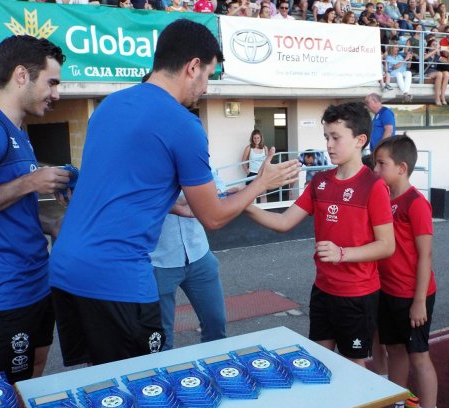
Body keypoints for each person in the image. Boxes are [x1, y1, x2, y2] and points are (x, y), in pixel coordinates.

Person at [49, 19, 300, 367]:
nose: (207, 88)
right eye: (209, 76)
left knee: (100, 385)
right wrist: (260, 183)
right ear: (192, 67)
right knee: (143, 386)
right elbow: (213, 217)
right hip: (117, 276)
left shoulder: (108, 106)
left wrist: (176, 205)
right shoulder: (183, 124)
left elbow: (128, 188)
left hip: (64, 268)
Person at [245, 102, 395, 408]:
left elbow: (387, 245)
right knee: (318, 361)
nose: (328, 144)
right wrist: (244, 203)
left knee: (354, 365)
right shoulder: (321, 181)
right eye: (326, 136)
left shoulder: (374, 186)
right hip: (324, 290)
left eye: (335, 137)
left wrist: (344, 254)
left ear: (360, 140)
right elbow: (283, 222)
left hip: (357, 293)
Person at [0, 36, 69, 383]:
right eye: (51, 82)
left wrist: (49, 223)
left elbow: (11, 208)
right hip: (5, 292)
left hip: (38, 280)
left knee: (34, 376)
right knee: (6, 394)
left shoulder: (19, 131)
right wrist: (31, 183)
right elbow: (20, 189)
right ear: (21, 75)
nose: (56, 94)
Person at [372, 134, 438, 408]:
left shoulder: (416, 203)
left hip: (414, 296)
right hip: (388, 292)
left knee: (419, 357)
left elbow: (425, 254)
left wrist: (419, 301)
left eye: (381, 164)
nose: (375, 169)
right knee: (394, 350)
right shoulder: (383, 198)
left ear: (401, 167)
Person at [151, 172, 236, 351]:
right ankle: (162, 379)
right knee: (161, 340)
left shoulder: (191, 152)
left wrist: (216, 192)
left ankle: (214, 373)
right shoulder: (147, 158)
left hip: (199, 253)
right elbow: (142, 197)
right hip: (159, 259)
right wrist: (193, 195)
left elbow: (215, 182)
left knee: (216, 325)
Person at [241, 129, 269, 203]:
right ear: (252, 139)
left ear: (261, 138)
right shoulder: (249, 148)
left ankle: (264, 211)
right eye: (255, 138)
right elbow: (243, 161)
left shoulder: (265, 148)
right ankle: (252, 213)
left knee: (263, 195)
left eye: (258, 138)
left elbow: (267, 162)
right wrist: (248, 172)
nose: (256, 139)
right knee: (251, 196)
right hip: (252, 173)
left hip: (262, 173)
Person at [423, 38, 449, 105]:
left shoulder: (437, 56)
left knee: (446, 73)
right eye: (433, 45)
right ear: (429, 47)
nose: (435, 46)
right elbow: (424, 58)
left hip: (436, 76)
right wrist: (435, 50)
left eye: (436, 45)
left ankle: (442, 96)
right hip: (426, 76)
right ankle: (437, 98)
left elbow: (448, 62)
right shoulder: (425, 53)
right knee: (439, 74)